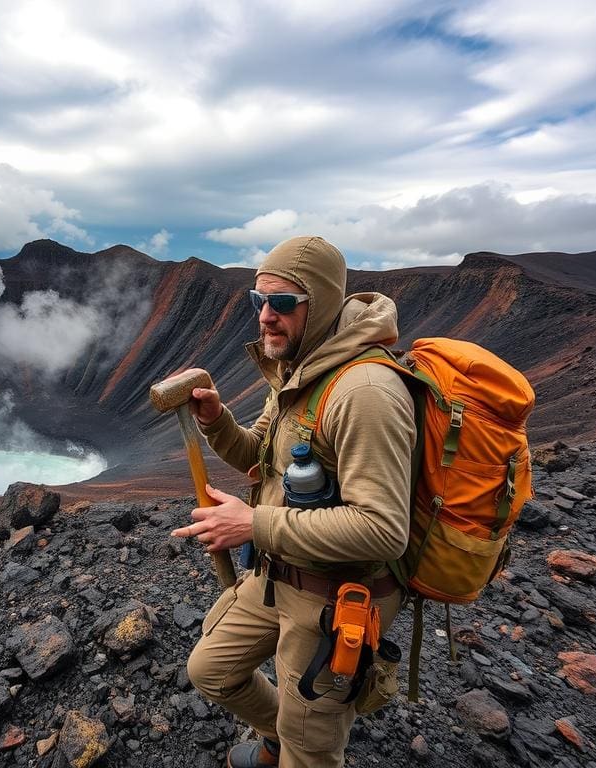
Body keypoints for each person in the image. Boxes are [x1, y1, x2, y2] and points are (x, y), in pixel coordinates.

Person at [171, 235, 415, 768]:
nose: (265, 316)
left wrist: (253, 523)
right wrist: (216, 423)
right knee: (210, 670)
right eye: (258, 301)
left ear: (321, 303)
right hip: (280, 570)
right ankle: (283, 733)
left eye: (282, 303)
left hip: (338, 595)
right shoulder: (296, 367)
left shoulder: (364, 393)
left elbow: (383, 528)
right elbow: (261, 455)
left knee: (313, 747)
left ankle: (300, 744)